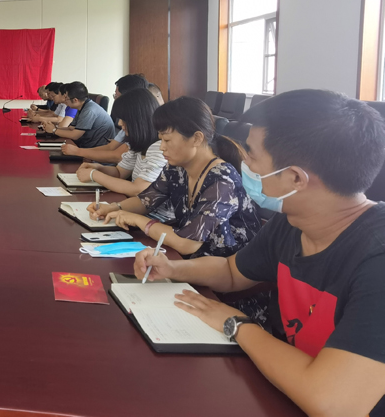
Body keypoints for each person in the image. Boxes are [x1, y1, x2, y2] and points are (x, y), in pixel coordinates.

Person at [133, 90, 385, 417]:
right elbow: (232, 272)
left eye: (251, 155)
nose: (244, 163)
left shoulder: (376, 258)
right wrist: (172, 269)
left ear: (295, 178)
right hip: (282, 387)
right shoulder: (292, 222)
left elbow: (334, 403)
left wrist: (236, 325)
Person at [89, 96, 266, 325]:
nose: (161, 147)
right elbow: (147, 199)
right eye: (160, 139)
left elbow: (187, 243)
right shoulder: (178, 168)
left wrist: (139, 221)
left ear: (197, 138)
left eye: (167, 140)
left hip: (225, 290)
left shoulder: (222, 179)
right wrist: (114, 208)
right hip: (188, 269)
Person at [77, 89, 166, 196]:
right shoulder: (138, 143)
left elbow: (138, 190)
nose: (119, 123)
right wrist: (99, 168)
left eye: (123, 119)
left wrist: (94, 175)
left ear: (138, 120)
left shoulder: (159, 148)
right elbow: (119, 173)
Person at [42, 82, 115, 149]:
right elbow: (71, 128)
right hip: (85, 145)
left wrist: (54, 130)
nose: (65, 101)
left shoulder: (89, 110)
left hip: (96, 150)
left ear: (75, 100)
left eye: (66, 98)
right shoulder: (81, 107)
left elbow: (75, 135)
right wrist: (53, 128)